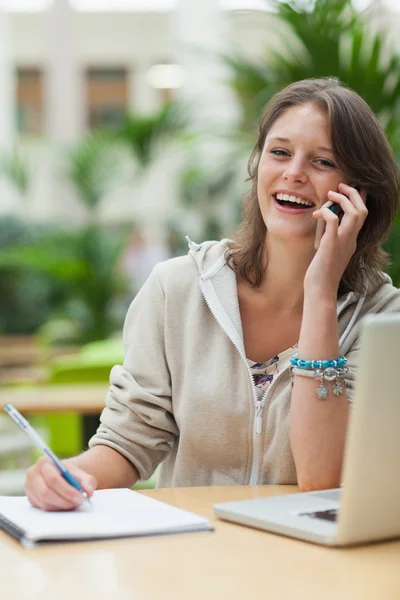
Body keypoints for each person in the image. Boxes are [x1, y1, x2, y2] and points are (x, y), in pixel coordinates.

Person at [25, 78, 400, 511]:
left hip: (312, 564)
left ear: (357, 193)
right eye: (279, 152)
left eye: (323, 161)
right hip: (193, 556)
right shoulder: (177, 289)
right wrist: (70, 474)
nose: (293, 172)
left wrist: (320, 294)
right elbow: (129, 442)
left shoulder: (382, 319)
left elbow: (322, 476)